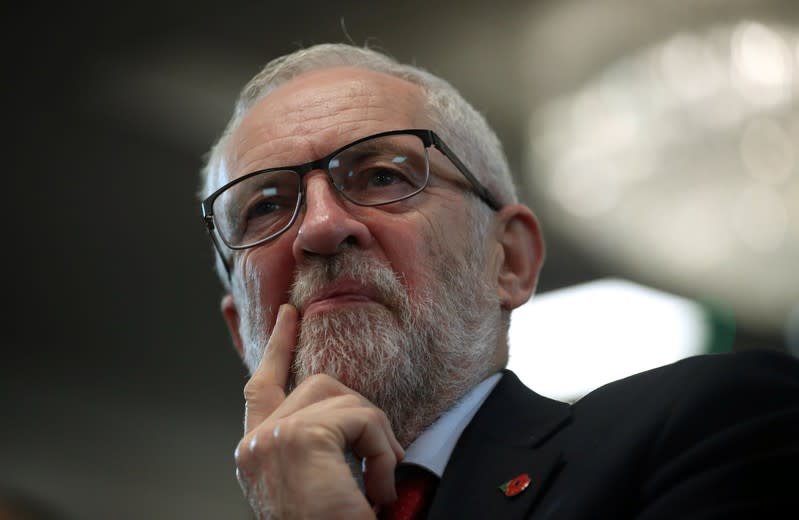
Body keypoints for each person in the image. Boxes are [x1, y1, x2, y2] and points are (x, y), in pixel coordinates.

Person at [198, 42, 799, 519]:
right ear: (237, 327)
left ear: (508, 259)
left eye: (381, 175)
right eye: (265, 206)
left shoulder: (710, 423)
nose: (322, 227)